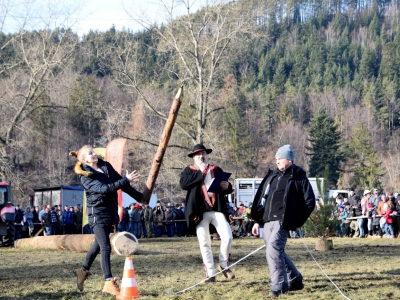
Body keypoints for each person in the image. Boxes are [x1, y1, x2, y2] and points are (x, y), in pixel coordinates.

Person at [70, 145, 143, 296]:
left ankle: (82, 271)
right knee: (105, 246)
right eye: (90, 154)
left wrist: (141, 197)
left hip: (109, 212)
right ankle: (108, 281)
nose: (94, 154)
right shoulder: (85, 176)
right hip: (97, 214)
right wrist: (125, 180)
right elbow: (105, 189)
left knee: (97, 244)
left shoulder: (106, 166)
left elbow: (122, 184)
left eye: (93, 152)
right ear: (84, 159)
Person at [251, 144, 315, 297]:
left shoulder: (298, 177)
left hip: (283, 221)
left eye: (280, 158)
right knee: (274, 251)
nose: (277, 161)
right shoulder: (272, 176)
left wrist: (297, 221)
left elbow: (309, 202)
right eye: (276, 158)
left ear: (289, 159)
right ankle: (295, 278)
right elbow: (261, 198)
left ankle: (278, 285)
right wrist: (256, 221)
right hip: (267, 220)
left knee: (273, 249)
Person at [180, 144, 235, 283]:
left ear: (207, 155)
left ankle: (223, 264)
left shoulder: (216, 169)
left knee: (228, 236)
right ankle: (210, 274)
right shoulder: (189, 171)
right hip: (199, 212)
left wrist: (227, 186)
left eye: (203, 153)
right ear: (193, 157)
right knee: (205, 242)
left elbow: (227, 186)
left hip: (216, 209)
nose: (201, 156)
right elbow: (183, 184)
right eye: (198, 154)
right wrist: (201, 172)